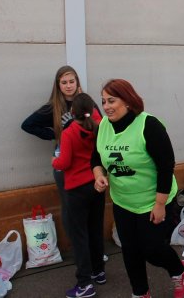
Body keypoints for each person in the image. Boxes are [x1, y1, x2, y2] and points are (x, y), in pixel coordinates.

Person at [92, 79, 184, 298]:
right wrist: (99, 176)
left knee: (152, 249)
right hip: (123, 201)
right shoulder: (103, 126)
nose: (106, 106)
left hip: (153, 200)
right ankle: (140, 293)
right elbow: (96, 157)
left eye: (112, 100)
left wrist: (160, 204)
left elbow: (166, 166)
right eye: (103, 101)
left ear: (127, 100)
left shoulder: (149, 125)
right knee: (130, 251)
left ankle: (178, 270)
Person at [21, 66, 101, 236]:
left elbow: (101, 127)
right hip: (65, 164)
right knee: (70, 209)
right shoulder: (54, 107)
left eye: (72, 81)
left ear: (77, 82)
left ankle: (93, 250)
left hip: (89, 163)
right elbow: (27, 125)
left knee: (92, 209)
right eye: (64, 82)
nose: (68, 85)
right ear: (58, 85)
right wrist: (56, 134)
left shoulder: (87, 103)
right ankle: (78, 248)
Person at [52, 93, 105, 298]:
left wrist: (53, 161)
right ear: (92, 110)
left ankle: (84, 283)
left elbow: (63, 163)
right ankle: (99, 272)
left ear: (72, 112)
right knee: (95, 230)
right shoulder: (99, 128)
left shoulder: (70, 131)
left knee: (79, 235)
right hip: (96, 185)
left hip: (76, 189)